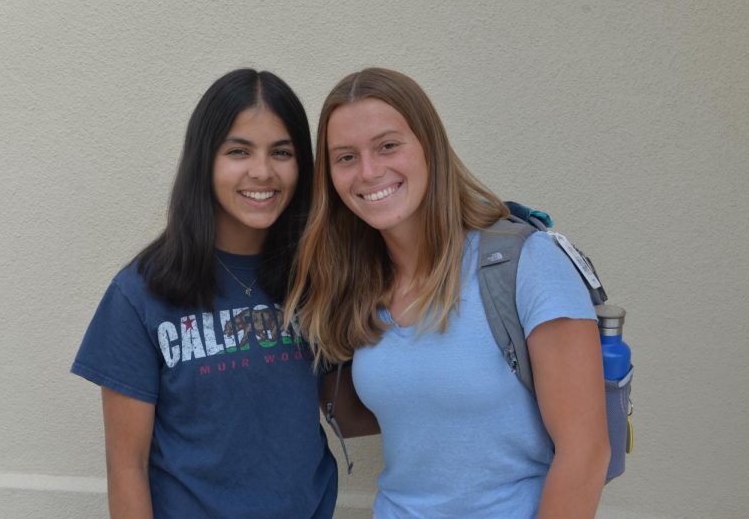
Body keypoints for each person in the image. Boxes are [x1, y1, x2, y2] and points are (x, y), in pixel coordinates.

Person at [285, 68, 609, 519]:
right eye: (345, 157)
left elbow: (586, 453)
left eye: (388, 145)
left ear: (429, 147)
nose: (369, 171)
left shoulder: (527, 264)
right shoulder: (356, 285)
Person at [72, 69, 337, 519]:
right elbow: (126, 468)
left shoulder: (318, 277)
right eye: (238, 151)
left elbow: (357, 404)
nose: (262, 171)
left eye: (282, 152)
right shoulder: (141, 292)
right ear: (204, 160)